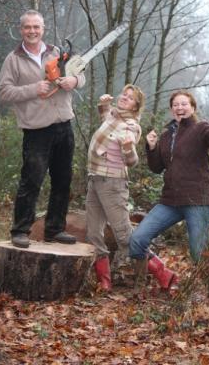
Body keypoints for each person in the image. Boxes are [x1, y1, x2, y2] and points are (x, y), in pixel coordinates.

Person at [0, 9, 86, 248]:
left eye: (36, 27)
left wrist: (74, 81)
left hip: (63, 125)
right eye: (28, 27)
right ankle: (20, 230)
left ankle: (55, 229)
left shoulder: (56, 52)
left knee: (62, 179)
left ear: (43, 29)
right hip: (36, 130)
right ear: (21, 30)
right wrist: (33, 89)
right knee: (31, 180)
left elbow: (81, 74)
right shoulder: (13, 59)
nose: (32, 31)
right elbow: (4, 92)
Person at [129, 90, 209, 299]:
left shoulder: (201, 129)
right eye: (176, 105)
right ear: (171, 109)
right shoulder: (166, 135)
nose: (180, 108)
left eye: (184, 104)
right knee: (138, 238)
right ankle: (139, 287)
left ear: (193, 107)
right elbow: (156, 168)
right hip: (170, 201)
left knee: (199, 251)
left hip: (197, 200)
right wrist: (152, 148)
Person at [86, 85, 177, 291]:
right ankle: (105, 282)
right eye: (123, 95)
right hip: (94, 180)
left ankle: (163, 273)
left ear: (136, 106)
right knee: (93, 233)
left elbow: (132, 161)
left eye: (129, 98)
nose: (124, 98)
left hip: (112, 184)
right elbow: (106, 122)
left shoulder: (131, 126)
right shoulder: (113, 116)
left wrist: (127, 148)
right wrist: (104, 105)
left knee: (125, 237)